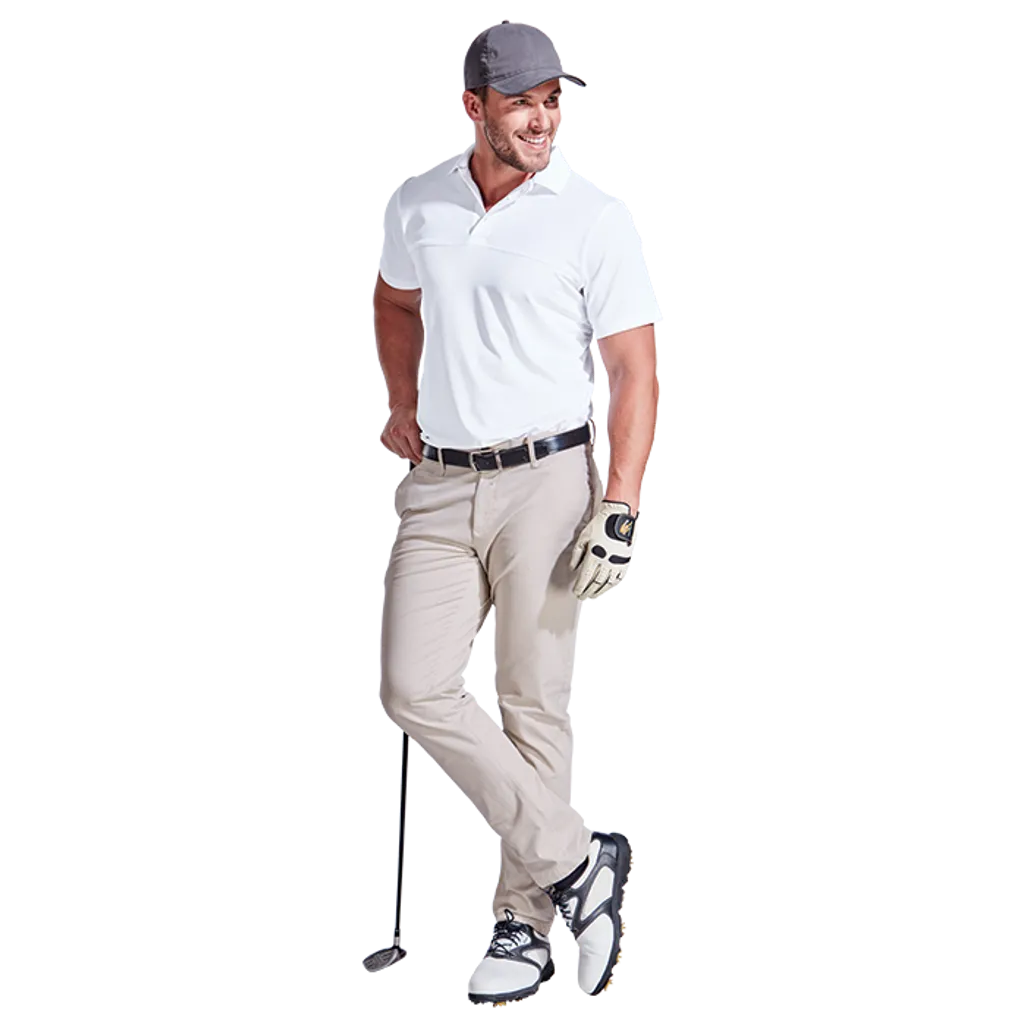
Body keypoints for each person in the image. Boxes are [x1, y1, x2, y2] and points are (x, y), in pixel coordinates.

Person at [375, 20, 660, 1004]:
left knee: (534, 700)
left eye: (552, 101)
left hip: (548, 476)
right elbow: (396, 301)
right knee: (414, 686)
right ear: (474, 106)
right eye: (522, 103)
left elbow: (634, 369)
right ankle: (581, 859)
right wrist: (401, 401)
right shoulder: (419, 202)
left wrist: (620, 503)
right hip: (440, 482)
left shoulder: (593, 216)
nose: (543, 120)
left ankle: (525, 923)